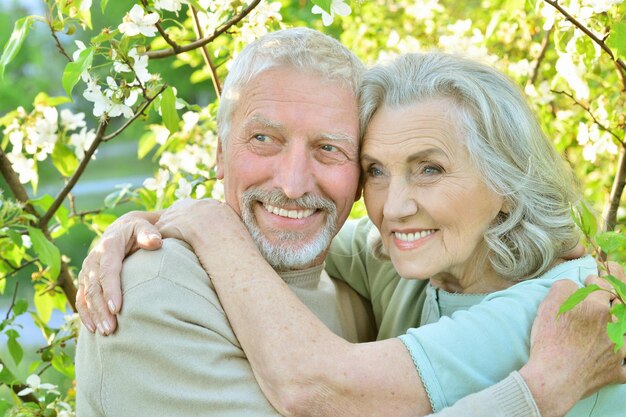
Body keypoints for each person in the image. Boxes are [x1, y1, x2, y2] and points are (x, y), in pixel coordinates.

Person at [74, 30, 624, 417]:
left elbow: (315, 386)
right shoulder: (397, 261)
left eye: (430, 169)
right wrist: (161, 219)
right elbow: (296, 231)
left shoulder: (569, 309)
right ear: (218, 153)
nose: (396, 207)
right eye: (377, 171)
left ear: (507, 184)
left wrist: (541, 392)